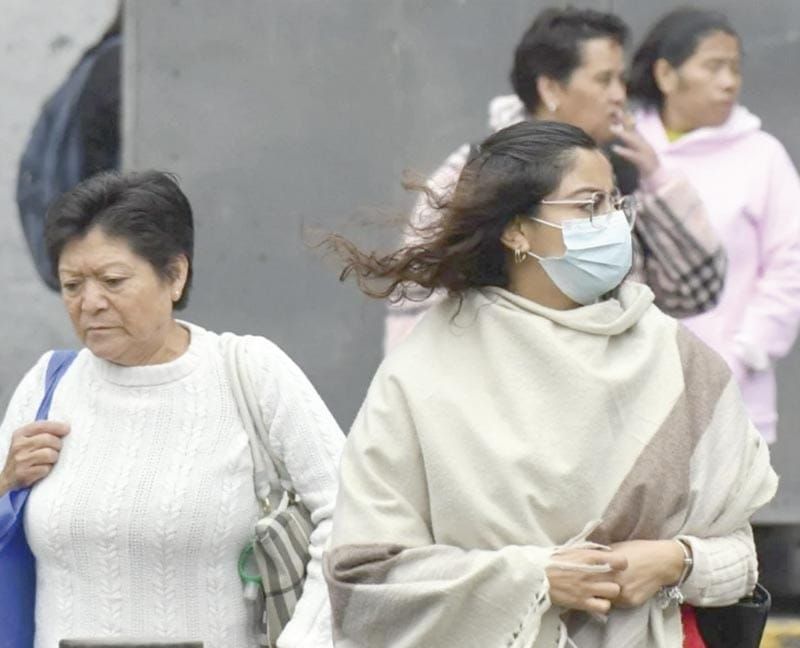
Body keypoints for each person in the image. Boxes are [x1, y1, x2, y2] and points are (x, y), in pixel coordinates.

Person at [323, 121, 777, 647]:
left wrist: (676, 560)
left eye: (614, 204)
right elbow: (367, 583)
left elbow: (741, 554)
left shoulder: (678, 360)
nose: (611, 223)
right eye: (588, 207)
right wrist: (535, 579)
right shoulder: (423, 373)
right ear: (517, 230)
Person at [0, 171, 343, 648]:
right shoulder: (46, 385)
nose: (90, 303)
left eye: (113, 281)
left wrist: (304, 640)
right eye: (72, 284)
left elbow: (350, 512)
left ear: (175, 275)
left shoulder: (247, 371)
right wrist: (4, 482)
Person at [385, 7, 726, 352]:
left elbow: (699, 291)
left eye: (621, 80)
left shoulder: (624, 171)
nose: (619, 96)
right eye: (603, 79)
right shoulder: (473, 175)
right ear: (550, 88)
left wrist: (658, 180)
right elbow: (416, 315)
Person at [628, 8, 800, 444]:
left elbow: (790, 262)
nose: (729, 82)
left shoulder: (762, 155)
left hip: (733, 386)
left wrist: (747, 350)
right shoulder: (626, 148)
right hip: (633, 391)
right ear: (666, 74)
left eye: (735, 68)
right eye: (713, 66)